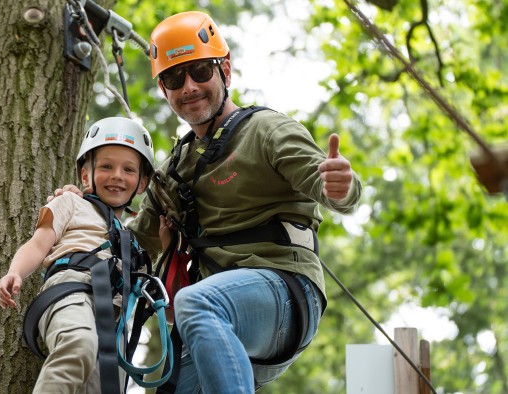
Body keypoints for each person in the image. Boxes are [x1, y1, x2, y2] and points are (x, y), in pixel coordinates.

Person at [51, 10, 362, 393]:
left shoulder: (266, 130)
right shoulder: (175, 170)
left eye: (200, 71)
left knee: (196, 303)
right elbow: (132, 243)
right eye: (174, 78)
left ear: (225, 71)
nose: (189, 87)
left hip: (283, 291)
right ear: (164, 90)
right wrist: (78, 210)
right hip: (213, 323)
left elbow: (330, 187)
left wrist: (340, 187)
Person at [0, 117, 155, 393]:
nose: (117, 175)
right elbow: (38, 244)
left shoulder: (130, 242)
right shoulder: (70, 202)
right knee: (78, 345)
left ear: (141, 183)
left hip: (114, 318)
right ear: (85, 176)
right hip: (71, 291)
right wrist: (15, 272)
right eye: (106, 166)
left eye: (129, 169)